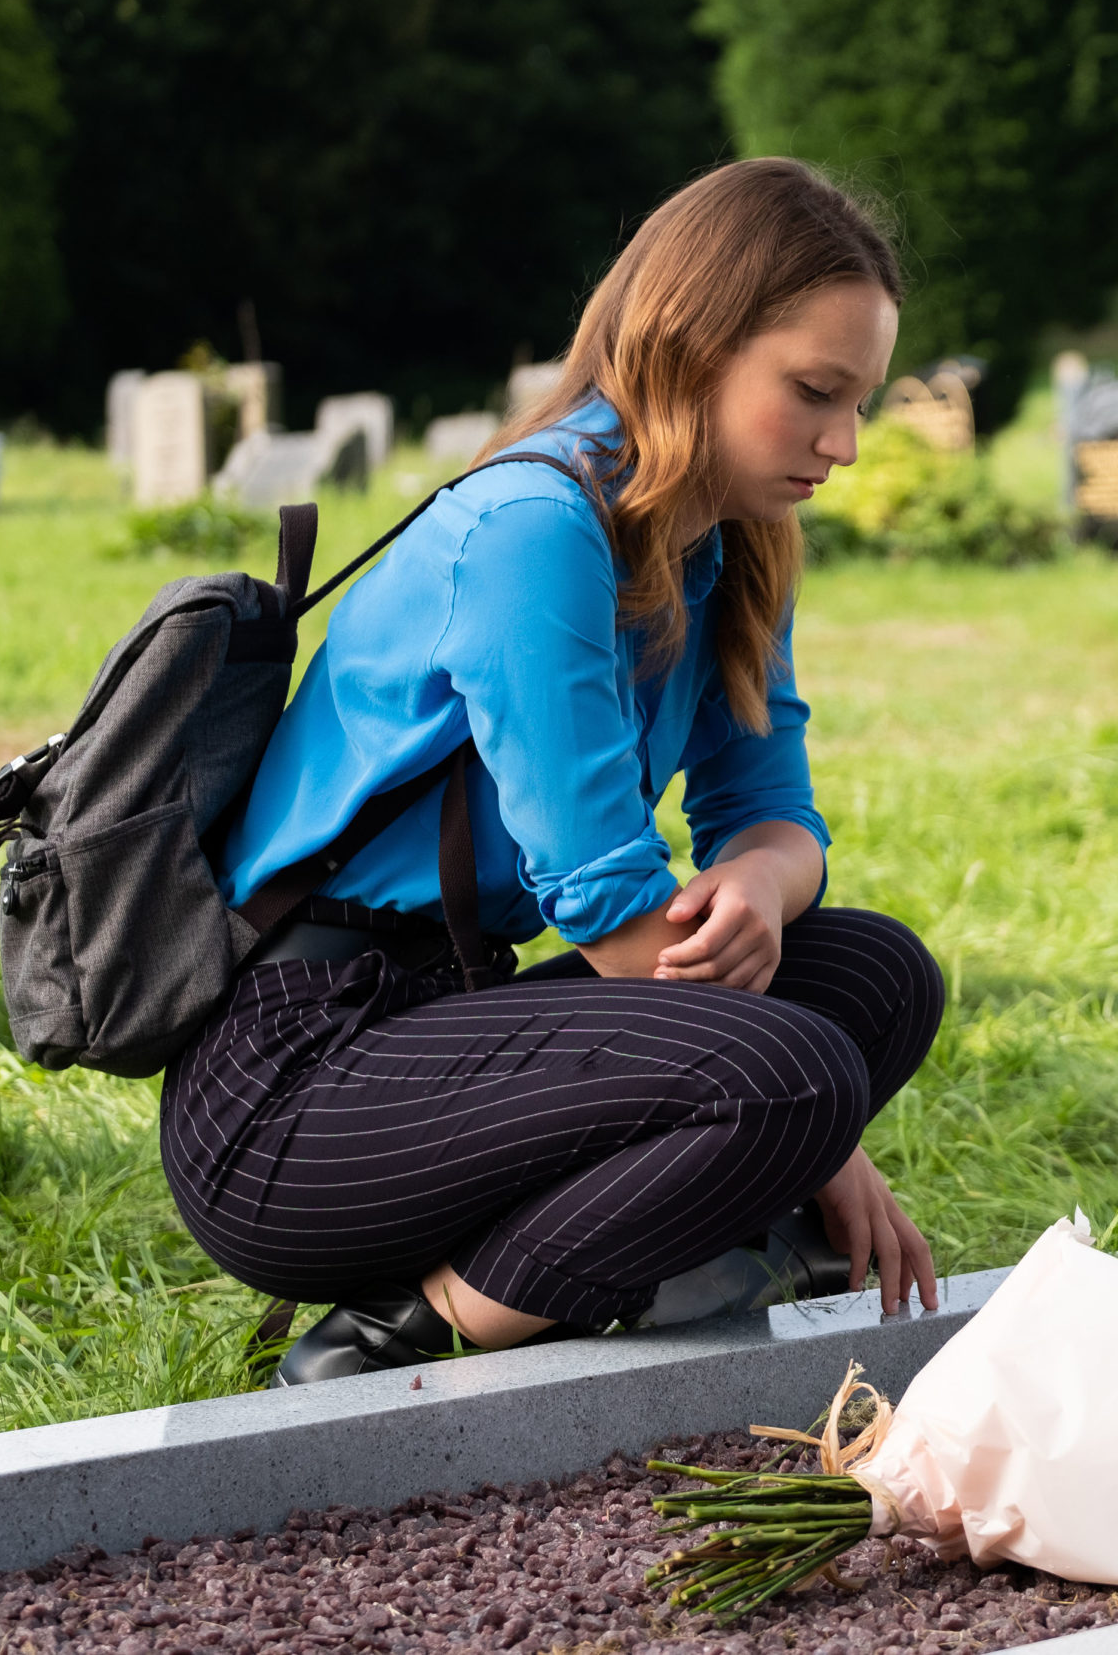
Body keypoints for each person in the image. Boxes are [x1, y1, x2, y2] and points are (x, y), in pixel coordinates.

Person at [162, 159, 945, 1385]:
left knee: (877, 974)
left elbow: (772, 811)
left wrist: (758, 882)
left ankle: (655, 1253)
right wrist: (826, 1145)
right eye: (813, 392)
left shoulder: (731, 543)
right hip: (294, 1091)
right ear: (690, 345)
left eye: (859, 404)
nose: (842, 444)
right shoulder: (533, 528)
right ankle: (403, 1332)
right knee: (793, 1074)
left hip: (453, 1019)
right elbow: (608, 902)